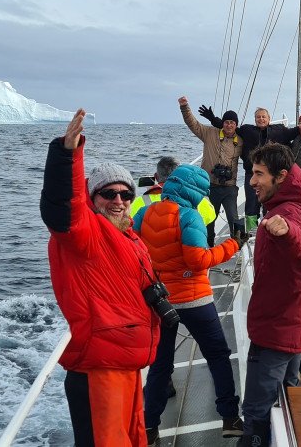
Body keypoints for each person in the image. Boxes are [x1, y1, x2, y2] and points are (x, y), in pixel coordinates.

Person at [39, 109, 160, 446]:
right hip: (99, 372)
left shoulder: (128, 235)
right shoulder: (85, 234)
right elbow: (63, 206)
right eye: (109, 194)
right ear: (92, 200)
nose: (119, 201)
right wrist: (68, 154)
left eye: (126, 194)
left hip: (126, 366)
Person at [133, 164, 243, 444]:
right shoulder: (189, 216)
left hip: (160, 303)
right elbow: (198, 261)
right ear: (194, 192)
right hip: (194, 299)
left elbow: (135, 253)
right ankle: (229, 418)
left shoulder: (144, 212)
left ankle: (149, 427)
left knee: (160, 366)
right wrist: (232, 246)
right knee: (217, 355)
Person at [237, 143, 301, 446]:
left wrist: (286, 232)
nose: (252, 181)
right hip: (294, 324)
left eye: (259, 173)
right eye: (251, 172)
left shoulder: (288, 214)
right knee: (287, 394)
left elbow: (297, 244)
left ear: (282, 176)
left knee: (257, 411)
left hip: (276, 329)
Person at [200, 106, 301, 229]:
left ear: (269, 119)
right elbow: (230, 128)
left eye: (264, 116)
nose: (261, 119)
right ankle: (251, 232)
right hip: (252, 175)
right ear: (255, 120)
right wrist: (212, 118)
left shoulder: (280, 130)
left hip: (272, 176)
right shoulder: (247, 130)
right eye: (258, 117)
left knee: (271, 203)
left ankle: (267, 228)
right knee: (251, 205)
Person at [179, 96, 244, 247]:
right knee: (209, 219)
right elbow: (192, 123)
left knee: (233, 218)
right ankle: (208, 247)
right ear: (223, 123)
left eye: (232, 123)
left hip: (229, 187)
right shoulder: (210, 133)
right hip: (210, 186)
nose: (229, 125)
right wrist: (184, 107)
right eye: (226, 122)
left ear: (236, 125)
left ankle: (237, 246)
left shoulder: (240, 141)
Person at [130, 156, 218, 225]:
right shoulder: (197, 200)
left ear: (156, 177)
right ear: (180, 176)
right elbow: (211, 215)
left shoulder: (139, 202)